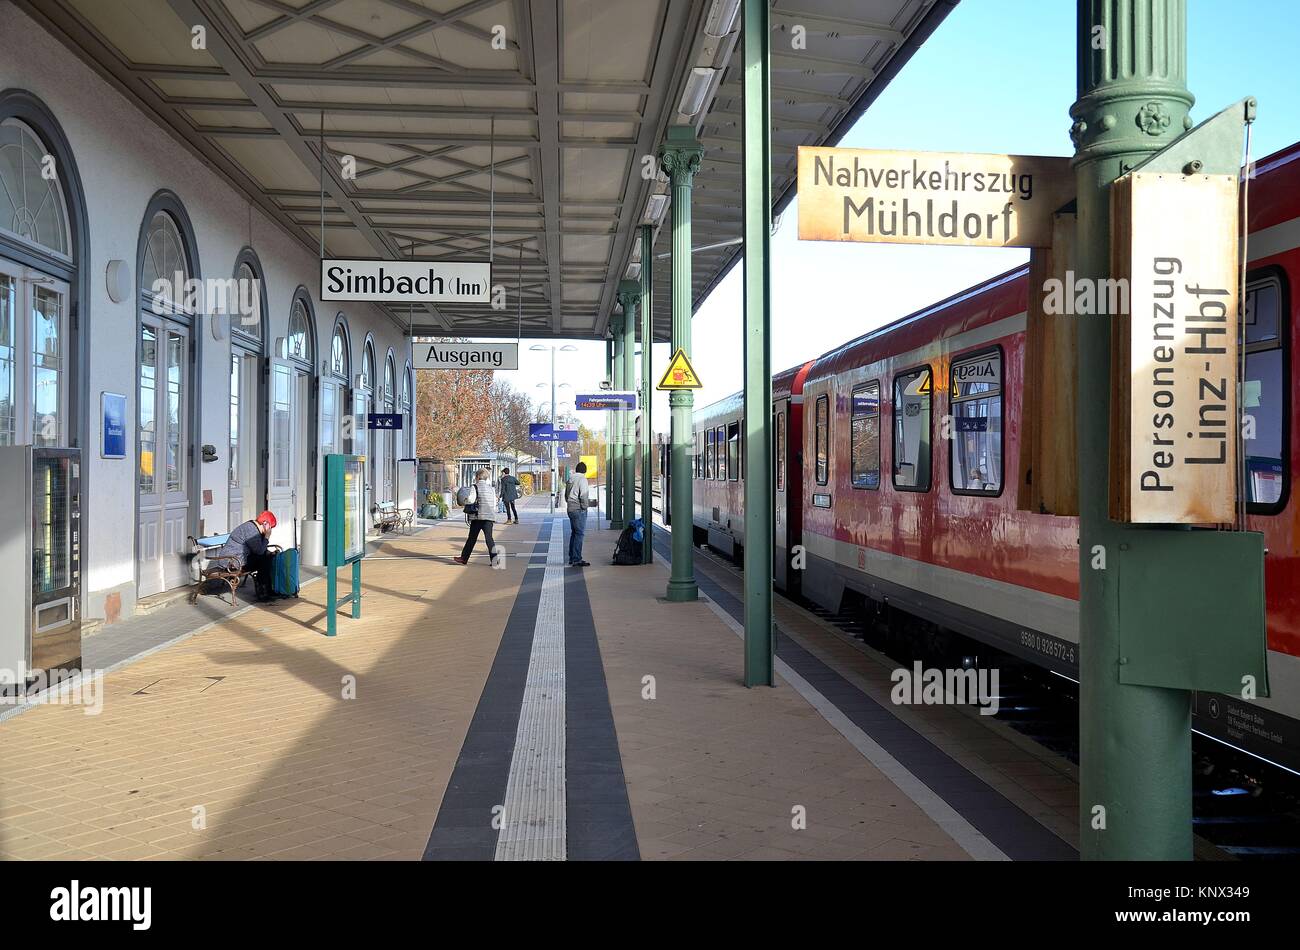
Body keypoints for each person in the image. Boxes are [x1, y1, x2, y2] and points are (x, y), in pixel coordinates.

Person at [215, 510, 278, 600]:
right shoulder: (251, 530)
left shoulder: (253, 527)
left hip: (238, 558)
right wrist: (267, 537)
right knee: (264, 559)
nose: (270, 530)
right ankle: (263, 591)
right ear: (265, 524)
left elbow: (260, 549)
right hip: (232, 562)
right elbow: (259, 551)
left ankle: (266, 589)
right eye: (271, 527)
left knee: (267, 556)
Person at [454, 469, 499, 565]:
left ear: (478, 477)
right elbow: (495, 504)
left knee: (472, 538)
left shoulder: (475, 487)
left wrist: (465, 500)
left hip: (478, 517)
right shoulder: (492, 489)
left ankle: (464, 558)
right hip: (489, 518)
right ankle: (494, 560)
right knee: (489, 539)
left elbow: (470, 499)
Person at [566, 461, 590, 567]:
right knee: (579, 534)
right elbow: (584, 495)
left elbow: (566, 495)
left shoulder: (570, 479)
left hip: (570, 508)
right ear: (584, 470)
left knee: (574, 533)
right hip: (578, 509)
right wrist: (584, 507)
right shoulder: (582, 479)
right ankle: (577, 559)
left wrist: (570, 503)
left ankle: (572, 557)